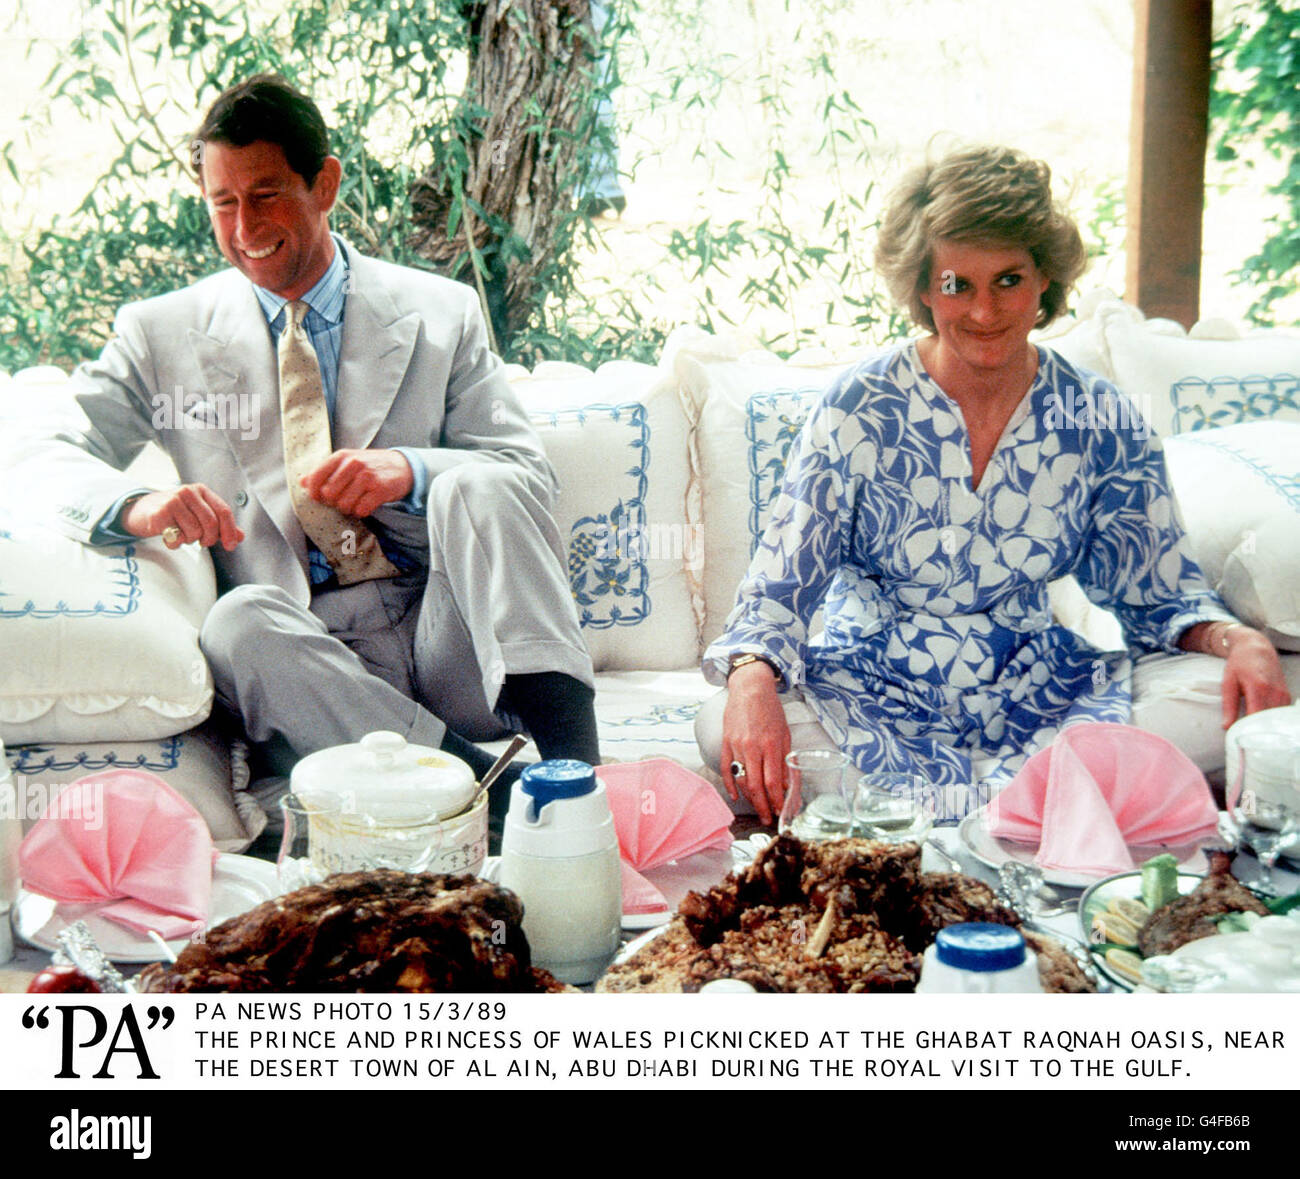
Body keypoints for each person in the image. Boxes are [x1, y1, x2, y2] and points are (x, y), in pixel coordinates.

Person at [22, 75, 600, 808]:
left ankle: (584, 782)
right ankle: (482, 794)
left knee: (479, 481)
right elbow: (43, 451)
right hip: (309, 660)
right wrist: (139, 505)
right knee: (235, 622)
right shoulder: (159, 333)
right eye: (221, 203)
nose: (243, 227)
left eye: (264, 196)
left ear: (323, 184)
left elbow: (526, 478)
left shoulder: (440, 312)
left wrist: (411, 470)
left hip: (450, 637)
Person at [697, 144, 1291, 826]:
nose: (983, 310)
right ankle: (1043, 806)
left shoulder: (1098, 415)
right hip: (871, 691)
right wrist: (750, 677)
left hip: (1041, 694)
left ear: (1045, 281)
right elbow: (779, 585)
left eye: (1008, 280)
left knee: (1221, 697)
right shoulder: (855, 407)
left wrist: (1235, 639)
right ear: (923, 287)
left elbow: (1158, 592)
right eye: (958, 284)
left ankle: (972, 803)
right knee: (721, 726)